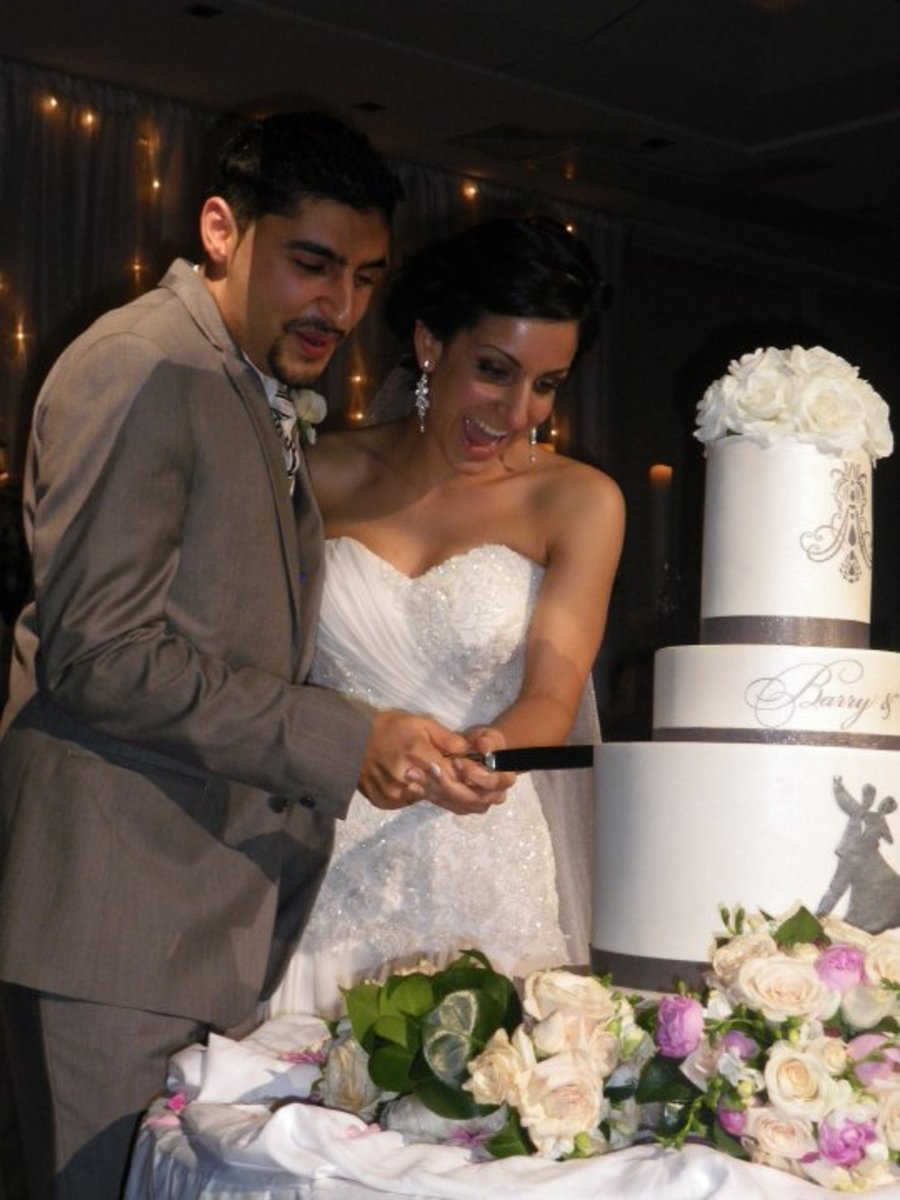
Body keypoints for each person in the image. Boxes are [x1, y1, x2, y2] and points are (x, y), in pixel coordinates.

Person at [0, 112, 510, 1200]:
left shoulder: (241, 380)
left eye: (364, 278)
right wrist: (343, 736)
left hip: (199, 918)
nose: (342, 308)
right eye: (311, 265)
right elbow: (99, 655)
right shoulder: (145, 363)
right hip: (115, 924)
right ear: (221, 230)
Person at [267, 215, 625, 1018]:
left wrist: (491, 751)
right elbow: (255, 664)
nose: (518, 411)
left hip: (485, 852)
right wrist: (352, 735)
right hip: (333, 843)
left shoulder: (578, 500)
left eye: (547, 384)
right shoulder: (313, 477)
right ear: (430, 343)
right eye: (495, 370)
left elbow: (554, 691)